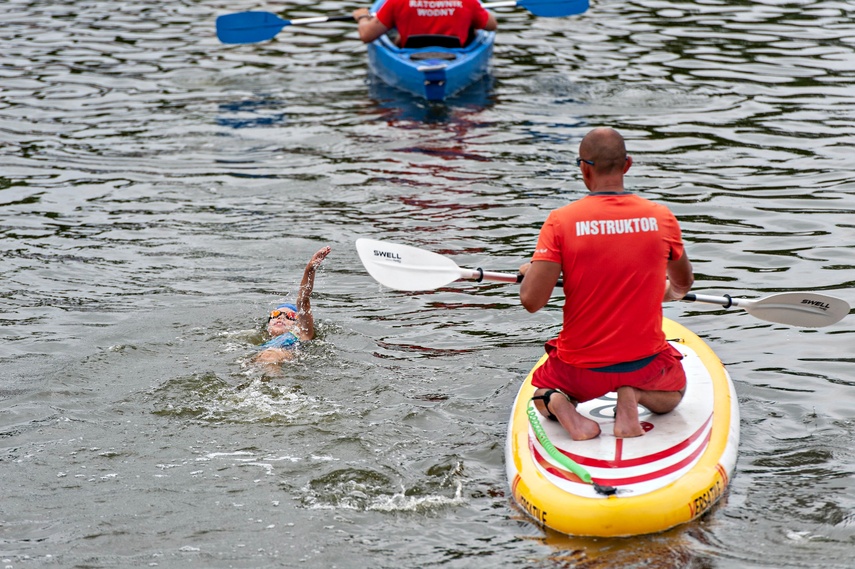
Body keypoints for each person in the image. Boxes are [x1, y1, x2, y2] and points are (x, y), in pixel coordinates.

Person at [519, 127, 694, 440]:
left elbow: (532, 301)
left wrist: (534, 270)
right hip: (644, 364)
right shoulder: (661, 217)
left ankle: (560, 404)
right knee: (674, 394)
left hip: (580, 368)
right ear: (627, 165)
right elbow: (683, 285)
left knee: (540, 396)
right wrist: (662, 290)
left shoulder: (560, 221)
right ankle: (632, 394)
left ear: (584, 169)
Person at [254, 246, 331, 365]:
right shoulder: (263, 343)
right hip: (263, 358)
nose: (280, 317)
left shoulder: (301, 335)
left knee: (269, 355)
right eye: (276, 314)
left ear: (298, 324)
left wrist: (309, 270)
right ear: (268, 323)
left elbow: (303, 301)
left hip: (284, 357)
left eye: (289, 316)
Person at [352, 0, 497, 48]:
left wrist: (363, 17)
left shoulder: (396, 2)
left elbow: (366, 35)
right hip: (454, 49)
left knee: (396, 36)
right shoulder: (468, 1)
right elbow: (491, 25)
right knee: (473, 31)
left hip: (412, 49)